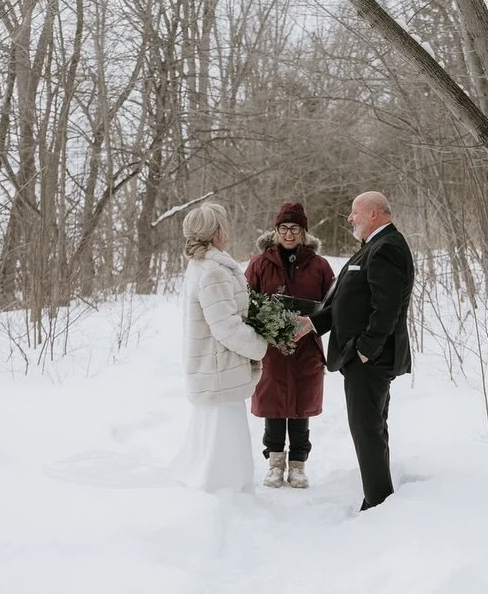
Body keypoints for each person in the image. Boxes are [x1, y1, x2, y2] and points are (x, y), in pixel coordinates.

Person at [296, 191, 414, 511]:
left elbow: (386, 307)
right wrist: (313, 323)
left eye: (354, 212)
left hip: (370, 359)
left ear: (374, 213)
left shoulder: (387, 247)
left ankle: (377, 504)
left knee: (367, 430)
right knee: (370, 428)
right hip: (365, 357)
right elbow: (352, 302)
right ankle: (378, 494)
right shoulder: (373, 246)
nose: (349, 218)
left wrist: (365, 349)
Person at [175, 202, 270, 493]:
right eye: (223, 224)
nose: (227, 229)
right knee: (223, 439)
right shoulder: (213, 271)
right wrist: (260, 345)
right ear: (215, 232)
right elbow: (226, 327)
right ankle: (224, 496)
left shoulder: (204, 265)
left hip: (215, 369)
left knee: (216, 436)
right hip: (219, 369)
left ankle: (222, 491)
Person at [245, 202, 335, 489]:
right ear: (275, 230)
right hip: (271, 347)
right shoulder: (260, 263)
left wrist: (311, 321)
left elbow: (334, 305)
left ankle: (297, 465)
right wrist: (264, 324)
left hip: (306, 346)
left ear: (304, 232)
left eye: (294, 228)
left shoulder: (319, 265)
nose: (288, 234)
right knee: (273, 405)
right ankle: (274, 463)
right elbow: (246, 302)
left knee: (300, 406)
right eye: (283, 228)